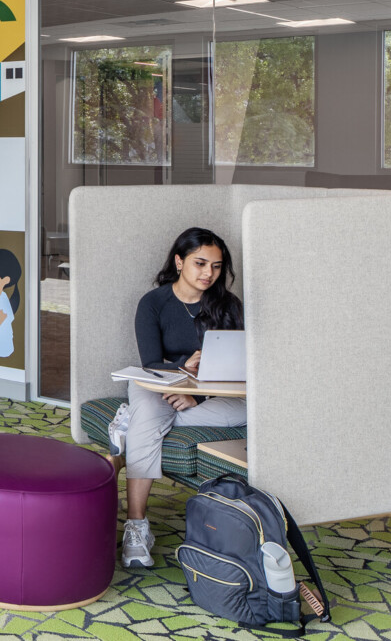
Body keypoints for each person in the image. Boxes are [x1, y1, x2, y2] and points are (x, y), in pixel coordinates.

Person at [113, 227, 245, 568]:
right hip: (157, 383)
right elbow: (150, 362)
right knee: (149, 413)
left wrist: (197, 398)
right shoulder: (153, 303)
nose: (208, 274)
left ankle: (133, 422)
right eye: (200, 263)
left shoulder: (228, 306)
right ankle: (137, 525)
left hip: (205, 394)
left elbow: (237, 366)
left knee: (248, 410)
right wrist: (182, 368)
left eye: (216, 267)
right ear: (179, 261)